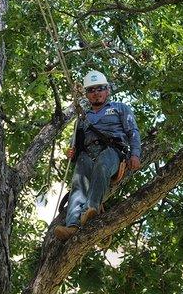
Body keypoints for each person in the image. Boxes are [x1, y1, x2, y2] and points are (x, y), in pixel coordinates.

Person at [54, 70, 141, 240]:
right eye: (91, 90)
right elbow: (77, 143)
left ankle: (90, 210)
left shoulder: (119, 108)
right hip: (87, 152)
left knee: (102, 165)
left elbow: (133, 131)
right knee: (78, 185)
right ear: (87, 95)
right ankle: (71, 225)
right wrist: (72, 152)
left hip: (112, 150)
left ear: (107, 90)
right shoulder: (83, 117)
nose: (96, 93)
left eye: (100, 89)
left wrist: (135, 154)